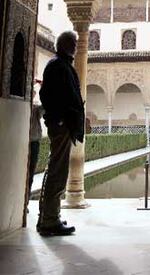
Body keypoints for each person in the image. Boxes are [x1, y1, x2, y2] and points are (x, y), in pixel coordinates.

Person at [37, 31, 85, 237]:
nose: (76, 46)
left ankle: (49, 216)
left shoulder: (61, 65)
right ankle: (49, 220)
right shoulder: (58, 66)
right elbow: (48, 95)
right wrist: (60, 119)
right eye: (73, 43)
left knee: (57, 170)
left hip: (63, 125)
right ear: (65, 45)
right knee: (58, 171)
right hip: (61, 126)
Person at [27, 80, 44, 200]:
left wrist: (45, 87)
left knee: (30, 174)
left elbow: (47, 106)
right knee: (27, 174)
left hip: (33, 143)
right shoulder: (33, 109)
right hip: (31, 143)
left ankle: (25, 200)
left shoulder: (35, 109)